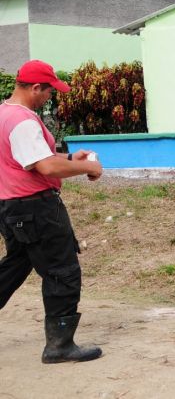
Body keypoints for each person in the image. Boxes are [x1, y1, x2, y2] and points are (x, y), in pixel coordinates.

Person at [0, 60, 104, 363]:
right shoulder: (23, 121)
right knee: (62, 271)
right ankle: (59, 345)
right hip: (35, 207)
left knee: (16, 264)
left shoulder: (4, 113)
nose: (50, 97)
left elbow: (29, 158)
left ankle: (59, 341)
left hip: (10, 206)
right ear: (35, 88)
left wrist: (70, 156)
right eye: (49, 91)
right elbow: (45, 166)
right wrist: (87, 166)